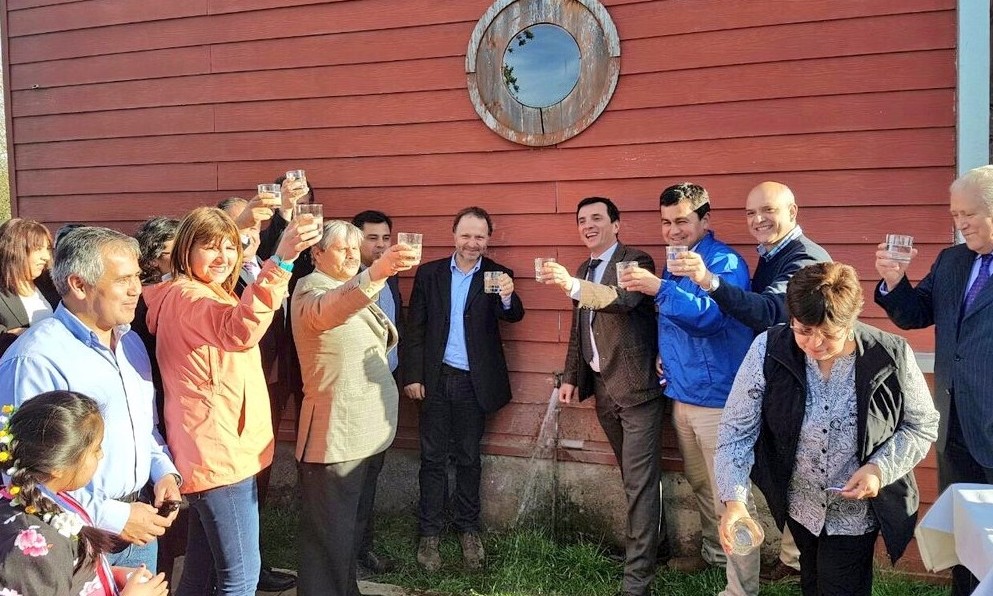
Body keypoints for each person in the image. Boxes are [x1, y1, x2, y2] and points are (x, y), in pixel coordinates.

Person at [717, 262, 939, 596]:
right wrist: (734, 501)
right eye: (803, 330)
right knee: (813, 581)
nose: (814, 343)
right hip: (800, 506)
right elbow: (737, 430)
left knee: (841, 585)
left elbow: (922, 425)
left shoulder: (891, 355)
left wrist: (879, 468)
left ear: (851, 322)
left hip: (854, 514)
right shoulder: (768, 348)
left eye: (829, 334)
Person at [143, 206, 319, 596]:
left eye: (229, 247)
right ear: (186, 250)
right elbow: (240, 329)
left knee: (202, 570)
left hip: (214, 449)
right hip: (220, 455)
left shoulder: (191, 291)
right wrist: (283, 260)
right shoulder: (189, 297)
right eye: (210, 247)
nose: (223, 257)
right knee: (241, 576)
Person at [0, 226, 181, 572]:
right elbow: (20, 472)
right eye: (122, 280)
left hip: (140, 526)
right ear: (78, 285)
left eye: (137, 277)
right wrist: (115, 516)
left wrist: (164, 473)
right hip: (72, 541)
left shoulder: (130, 344)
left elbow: (144, 428)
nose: (135, 290)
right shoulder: (35, 359)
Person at [687, 181, 831, 581]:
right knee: (782, 471)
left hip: (803, 389)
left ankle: (805, 562)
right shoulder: (772, 255)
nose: (758, 220)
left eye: (768, 210)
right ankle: (793, 558)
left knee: (796, 473)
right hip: (782, 383)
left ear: (793, 211)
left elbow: (771, 312)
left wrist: (709, 282)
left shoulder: (803, 260)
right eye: (751, 213)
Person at [621, 182, 755, 596]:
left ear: (704, 220)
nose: (673, 230)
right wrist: (665, 354)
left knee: (731, 499)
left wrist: (657, 288)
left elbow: (711, 319)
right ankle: (716, 556)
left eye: (682, 221)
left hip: (719, 401)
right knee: (700, 486)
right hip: (683, 393)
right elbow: (676, 323)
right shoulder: (675, 260)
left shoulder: (725, 262)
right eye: (665, 222)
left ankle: (742, 588)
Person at [538, 196, 667, 596]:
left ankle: (637, 582)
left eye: (597, 218)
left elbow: (622, 300)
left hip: (637, 390)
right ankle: (656, 549)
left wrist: (573, 286)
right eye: (582, 220)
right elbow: (581, 331)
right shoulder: (583, 267)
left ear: (616, 224)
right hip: (603, 389)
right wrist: (572, 376)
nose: (588, 225)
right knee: (634, 478)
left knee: (640, 484)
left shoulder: (636, 260)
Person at [874, 164, 993, 595]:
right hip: (955, 423)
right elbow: (915, 313)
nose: (960, 224)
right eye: (954, 214)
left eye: (970, 214)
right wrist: (894, 281)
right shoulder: (952, 260)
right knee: (965, 526)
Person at [292, 220, 415, 595]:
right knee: (328, 538)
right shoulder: (310, 290)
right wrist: (378, 272)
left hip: (363, 431)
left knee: (345, 532)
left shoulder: (345, 285)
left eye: (353, 248)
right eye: (341, 248)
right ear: (316, 253)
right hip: (335, 435)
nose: (350, 255)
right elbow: (333, 310)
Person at [402, 206, 525, 571]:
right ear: (453, 235)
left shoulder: (498, 275)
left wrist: (506, 295)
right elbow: (416, 328)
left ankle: (468, 528)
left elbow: (513, 315)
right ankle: (429, 533)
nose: (473, 243)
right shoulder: (430, 274)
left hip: (474, 383)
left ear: (489, 238)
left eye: (480, 237)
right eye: (466, 235)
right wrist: (412, 376)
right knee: (433, 458)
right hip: (436, 379)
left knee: (470, 458)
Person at [0, 391, 169, 596]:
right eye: (95, 449)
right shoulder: (33, 546)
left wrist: (106, 576)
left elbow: (63, 578)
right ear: (58, 466)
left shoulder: (44, 498)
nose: (101, 454)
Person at [217, 196, 297, 593]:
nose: (248, 232)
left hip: (271, 379)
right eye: (238, 226)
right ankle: (240, 566)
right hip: (240, 388)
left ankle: (253, 558)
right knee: (242, 477)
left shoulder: (257, 263)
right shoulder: (223, 276)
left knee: (259, 476)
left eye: (253, 225)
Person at [351, 209, 404, 576]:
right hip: (355, 393)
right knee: (351, 479)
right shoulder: (345, 282)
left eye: (386, 238)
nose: (381, 245)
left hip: (386, 388)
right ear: (357, 241)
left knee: (372, 473)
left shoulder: (393, 279)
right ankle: (347, 552)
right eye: (373, 238)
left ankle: (361, 547)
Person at [0, 218, 60, 357]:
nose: (46, 256)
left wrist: (22, 332)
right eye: (38, 249)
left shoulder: (51, 284)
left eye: (47, 249)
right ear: (14, 250)